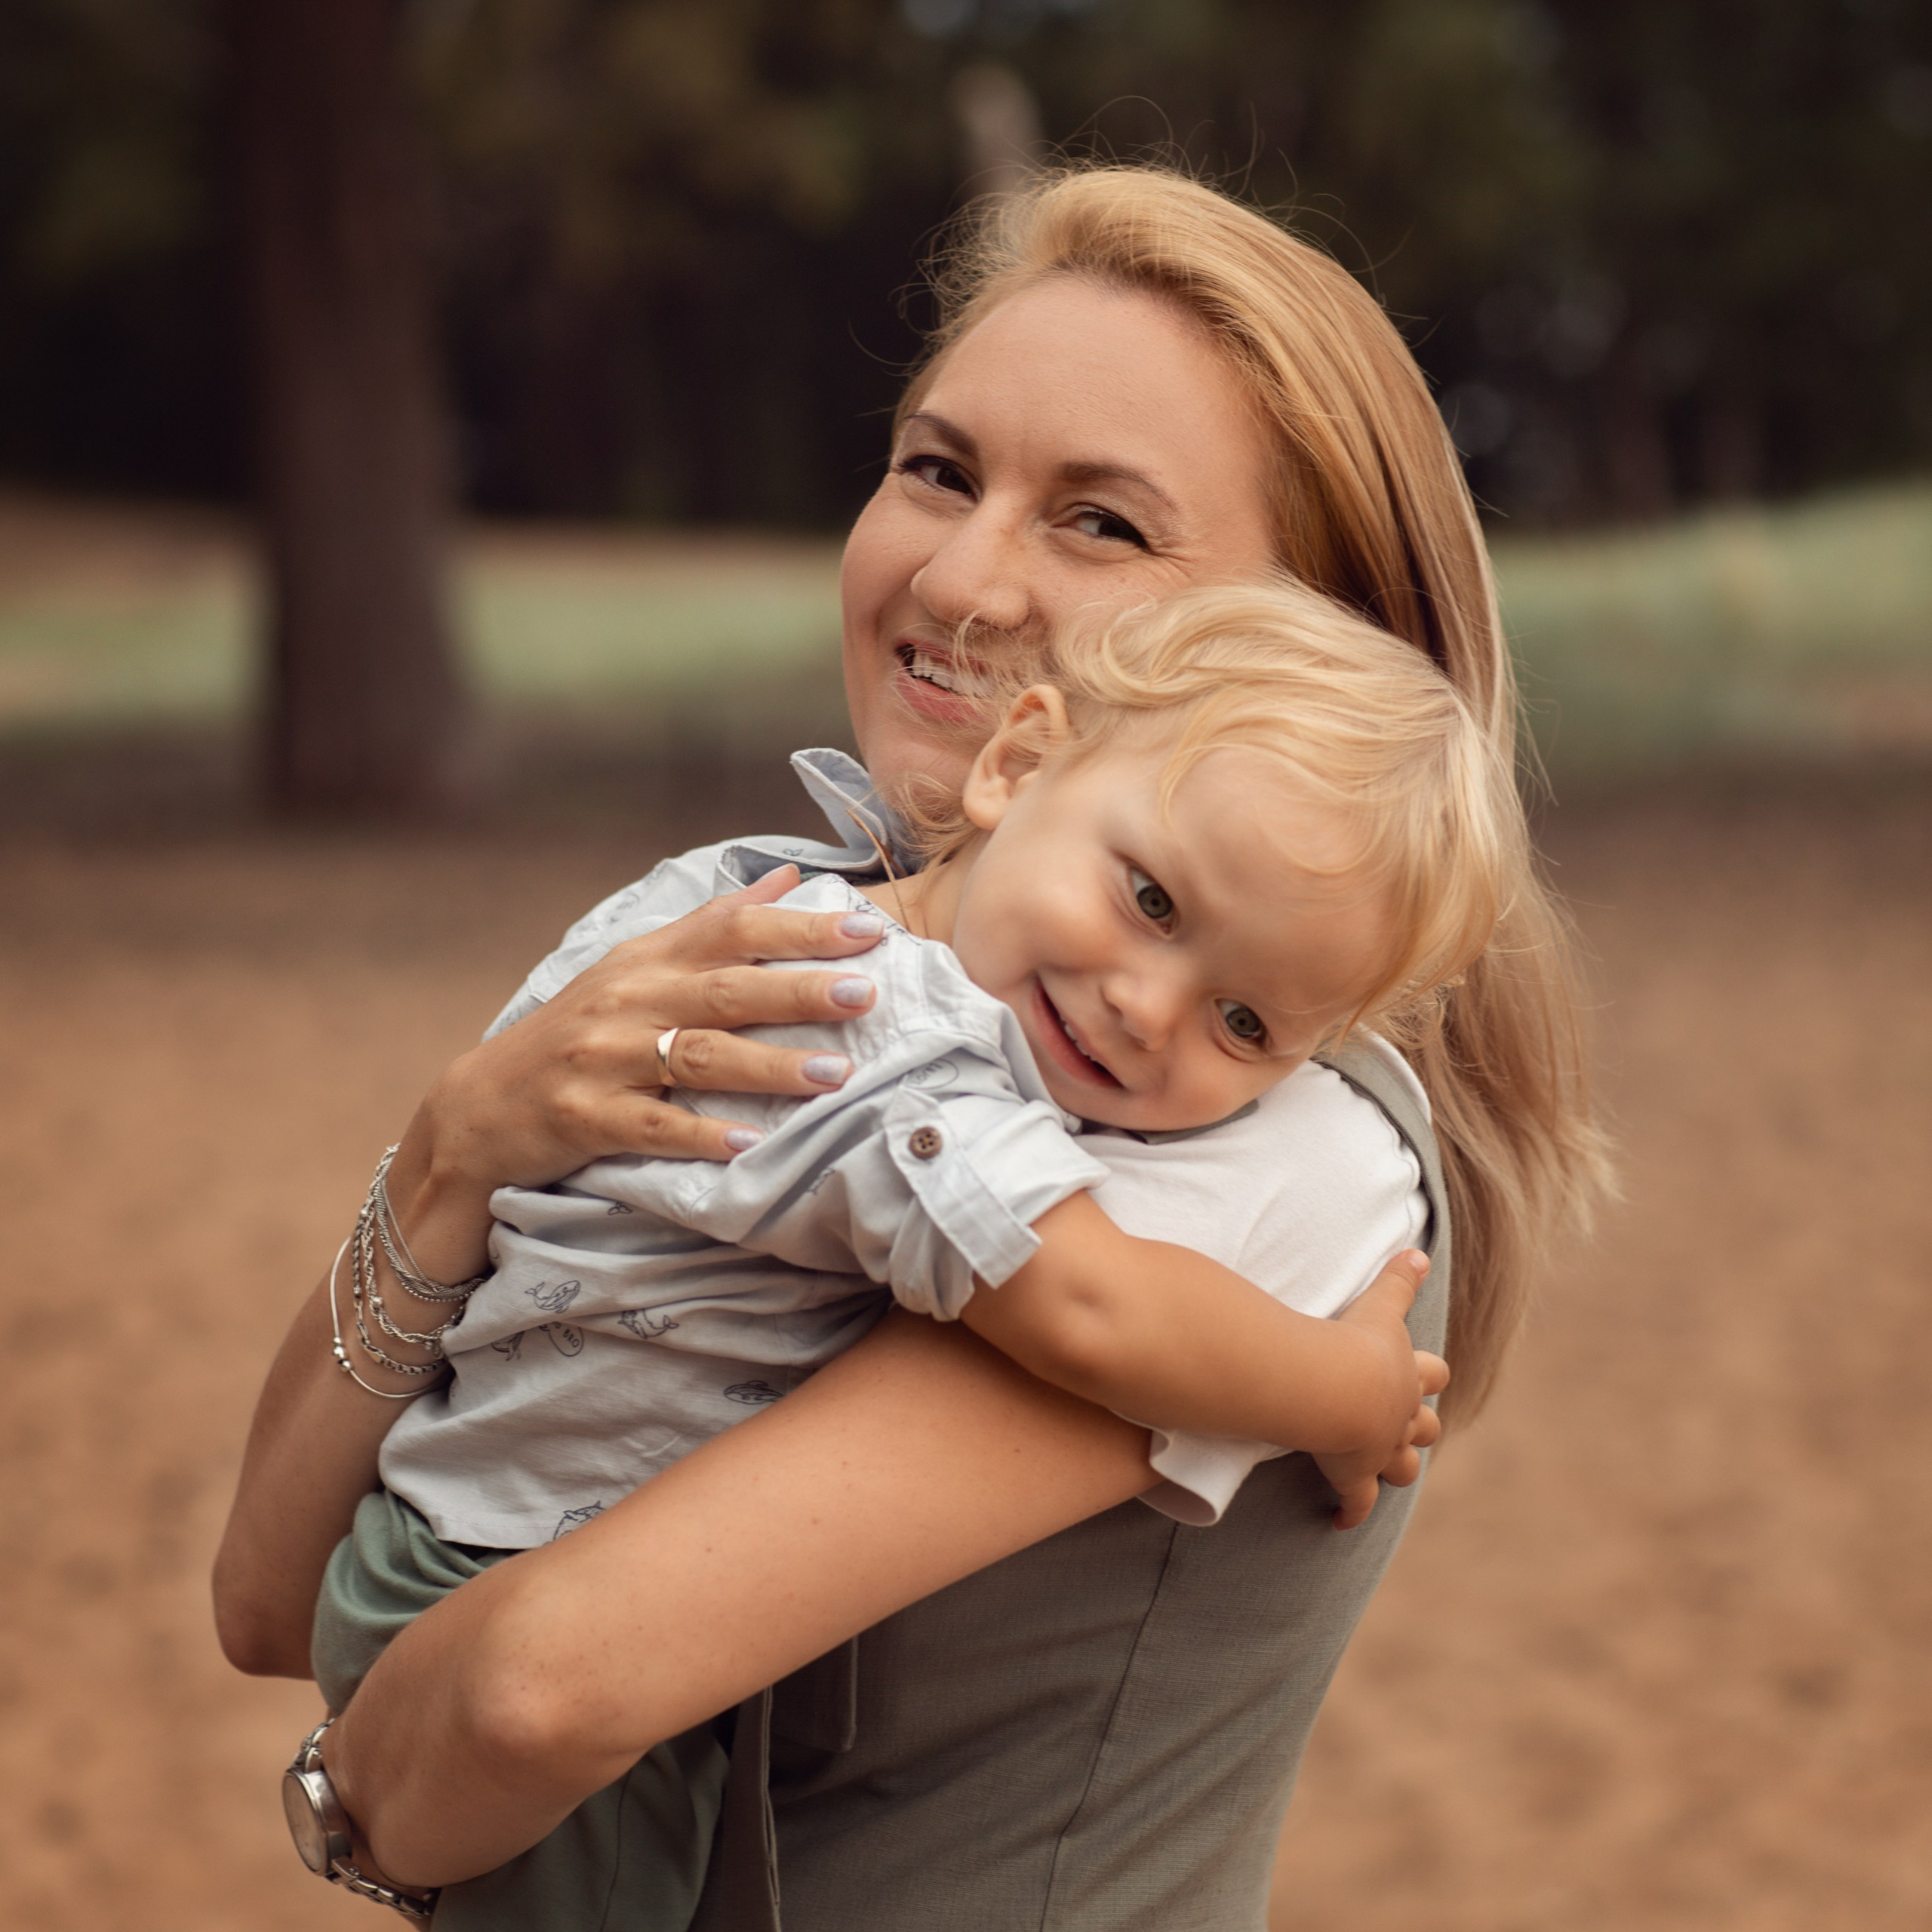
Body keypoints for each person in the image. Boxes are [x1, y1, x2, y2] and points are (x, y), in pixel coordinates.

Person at [215, 165, 1607, 1931]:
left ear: (1312, 649)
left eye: (1100, 523)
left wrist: (357, 1801)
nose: (957, 574)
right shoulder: (754, 927)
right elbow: (265, 1605)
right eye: (936, 470)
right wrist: (449, 1155)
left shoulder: (1259, 1152)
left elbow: (526, 1695)